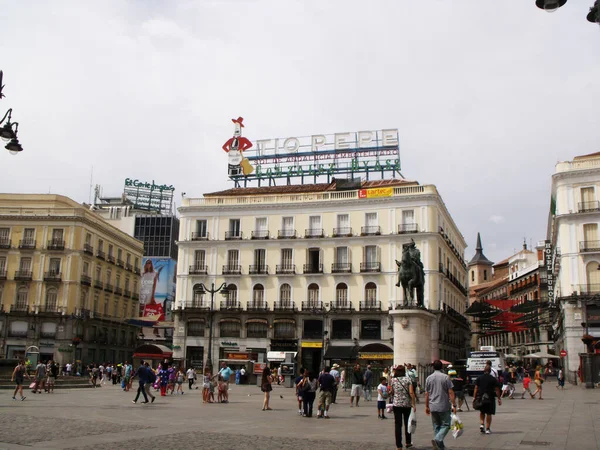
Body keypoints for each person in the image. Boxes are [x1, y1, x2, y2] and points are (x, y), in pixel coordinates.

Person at [425, 359, 456, 450]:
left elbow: (427, 394)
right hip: (443, 404)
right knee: (446, 425)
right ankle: (437, 439)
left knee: (436, 425)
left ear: (433, 367)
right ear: (442, 367)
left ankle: (439, 446)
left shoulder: (429, 378)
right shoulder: (446, 377)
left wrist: (426, 406)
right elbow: (451, 392)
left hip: (433, 405)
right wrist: (454, 405)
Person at [390, 365, 416, 450]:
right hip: (407, 404)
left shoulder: (393, 380)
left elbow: (392, 392)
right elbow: (411, 393)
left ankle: (399, 445)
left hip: (397, 404)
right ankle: (408, 442)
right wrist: (413, 404)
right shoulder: (408, 379)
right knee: (407, 423)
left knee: (398, 425)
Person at [473, 365, 502, 434]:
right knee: (489, 413)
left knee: (482, 412)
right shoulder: (493, 379)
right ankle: (488, 429)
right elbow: (497, 389)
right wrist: (499, 398)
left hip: (481, 397)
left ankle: (482, 424)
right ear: (490, 371)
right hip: (490, 398)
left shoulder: (479, 378)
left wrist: (474, 397)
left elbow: (476, 388)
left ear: (484, 370)